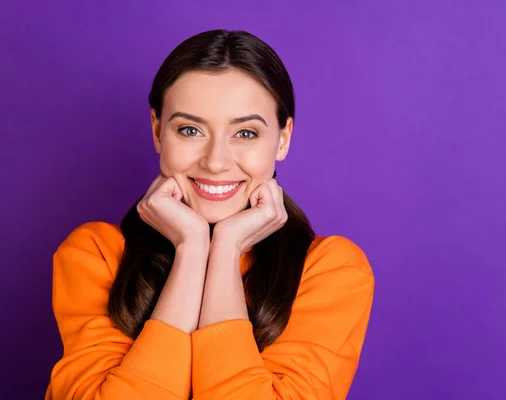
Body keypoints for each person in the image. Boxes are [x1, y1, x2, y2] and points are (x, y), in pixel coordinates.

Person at [45, 29, 374, 400]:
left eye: (246, 133)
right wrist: (192, 248)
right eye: (190, 130)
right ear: (157, 131)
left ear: (282, 139)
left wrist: (227, 249)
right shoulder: (96, 254)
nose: (215, 162)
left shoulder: (332, 269)